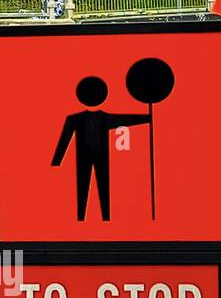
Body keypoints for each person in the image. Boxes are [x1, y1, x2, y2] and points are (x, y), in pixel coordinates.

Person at [51, 76, 151, 221]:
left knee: (104, 188)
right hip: (85, 157)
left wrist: (146, 118)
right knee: (83, 187)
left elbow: (125, 119)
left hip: (100, 157)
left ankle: (106, 217)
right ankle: (81, 218)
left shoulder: (102, 118)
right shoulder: (75, 119)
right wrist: (57, 161)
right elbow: (64, 139)